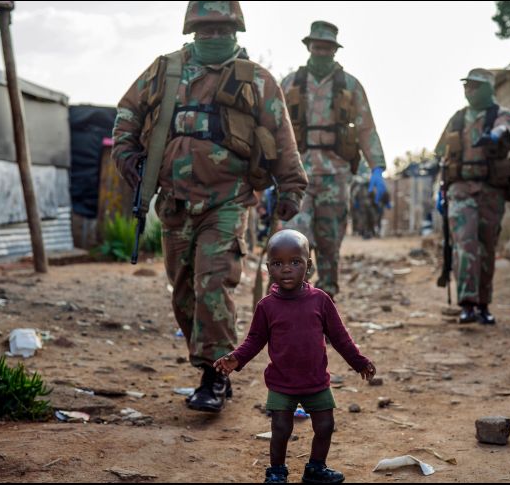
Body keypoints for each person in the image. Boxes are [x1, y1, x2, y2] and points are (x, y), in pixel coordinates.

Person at [112, 1, 308, 413]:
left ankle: (214, 374)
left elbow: (281, 134)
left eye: (222, 29)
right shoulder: (166, 69)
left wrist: (291, 187)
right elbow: (128, 110)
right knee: (184, 293)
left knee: (213, 285)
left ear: (236, 29)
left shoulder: (255, 78)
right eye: (206, 29)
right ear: (192, 29)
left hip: (227, 201)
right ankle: (210, 366)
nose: (214, 37)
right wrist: (126, 151)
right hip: (174, 202)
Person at [214, 230, 376, 484]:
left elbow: (340, 337)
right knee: (280, 429)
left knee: (324, 426)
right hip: (281, 382)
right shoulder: (266, 306)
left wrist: (359, 361)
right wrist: (236, 359)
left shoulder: (320, 301)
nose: (287, 269)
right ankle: (277, 471)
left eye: (295, 262)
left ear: (308, 265)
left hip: (316, 381)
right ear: (268, 268)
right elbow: (255, 339)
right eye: (278, 263)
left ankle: (316, 468)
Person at [281, 21, 388, 299]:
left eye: (327, 48)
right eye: (317, 47)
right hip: (297, 175)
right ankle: (295, 302)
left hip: (336, 176)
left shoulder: (350, 86)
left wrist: (377, 167)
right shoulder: (291, 83)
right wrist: (269, 173)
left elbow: (366, 128)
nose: (322, 52)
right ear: (309, 47)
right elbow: (274, 128)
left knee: (330, 245)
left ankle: (325, 304)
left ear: (335, 50)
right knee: (294, 240)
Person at [434, 68, 510, 325]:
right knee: (464, 246)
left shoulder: (501, 114)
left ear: (488, 89)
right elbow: (441, 154)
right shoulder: (457, 119)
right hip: (459, 190)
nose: (469, 91)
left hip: (490, 191)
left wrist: (494, 134)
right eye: (467, 86)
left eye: (475, 86)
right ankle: (467, 304)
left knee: (486, 248)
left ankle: (484, 304)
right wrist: (440, 190)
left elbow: (506, 129)